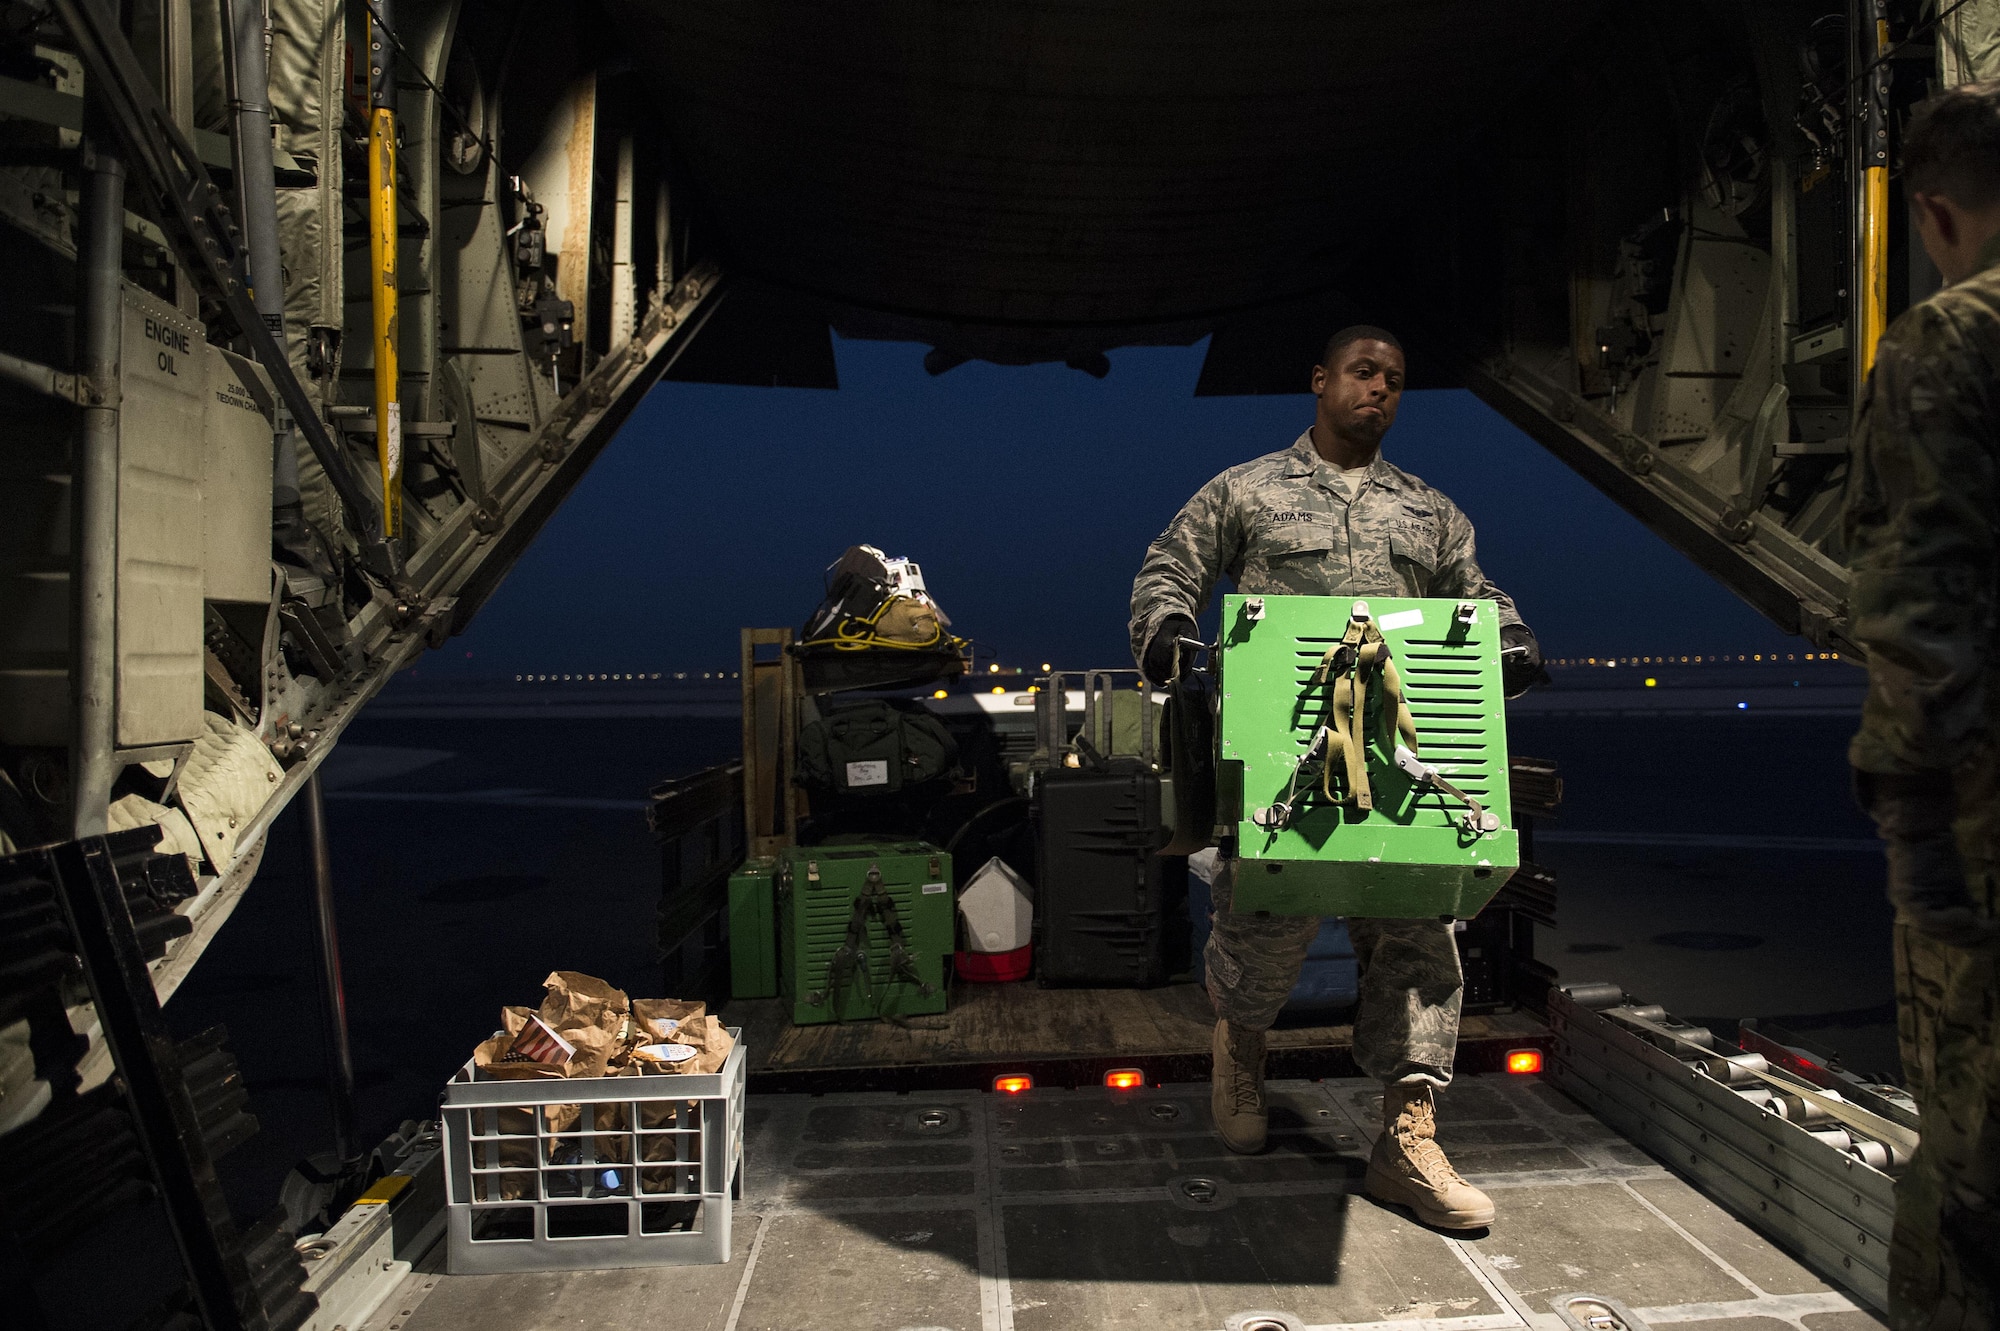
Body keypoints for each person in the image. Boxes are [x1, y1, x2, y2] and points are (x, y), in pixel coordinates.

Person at [1130, 325, 1546, 1230]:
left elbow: (1473, 591)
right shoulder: (1246, 489)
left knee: (1416, 940)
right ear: (1320, 381)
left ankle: (1407, 1136)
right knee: (1259, 933)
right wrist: (1165, 628)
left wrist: (1507, 631)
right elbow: (1171, 566)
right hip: (1280, 752)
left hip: (1396, 757)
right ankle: (1240, 1047)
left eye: (1395, 379)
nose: (1380, 390)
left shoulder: (1430, 512)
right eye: (1364, 373)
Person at [1843, 79, 2000, 1331]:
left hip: (1985, 819)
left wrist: (1911, 831)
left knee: (1966, 1160)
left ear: (1935, 215)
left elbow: (1914, 604)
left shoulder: (1949, 339)